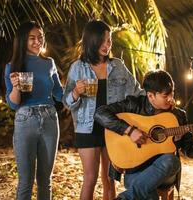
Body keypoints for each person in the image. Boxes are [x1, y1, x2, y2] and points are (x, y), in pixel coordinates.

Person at [95, 70, 193, 200]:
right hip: (135, 168)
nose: (171, 99)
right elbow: (100, 113)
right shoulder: (134, 104)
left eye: (172, 94)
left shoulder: (178, 115)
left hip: (165, 170)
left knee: (172, 161)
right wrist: (129, 130)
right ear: (150, 96)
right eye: (165, 96)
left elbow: (190, 151)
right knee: (149, 195)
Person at [62, 20, 144, 200]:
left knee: (110, 179)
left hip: (113, 128)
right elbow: (66, 101)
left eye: (110, 40)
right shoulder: (78, 67)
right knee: (90, 179)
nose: (108, 45)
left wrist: (158, 94)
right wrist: (76, 92)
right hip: (87, 128)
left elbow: (137, 92)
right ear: (92, 40)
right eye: (104, 40)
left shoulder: (118, 66)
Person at [4, 21, 63, 200]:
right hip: (25, 119)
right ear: (23, 41)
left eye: (41, 37)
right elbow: (13, 104)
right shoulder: (12, 66)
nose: (38, 41)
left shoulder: (49, 63)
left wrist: (76, 89)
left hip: (49, 119)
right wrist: (16, 88)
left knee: (45, 180)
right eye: (32, 38)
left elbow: (59, 94)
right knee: (25, 181)